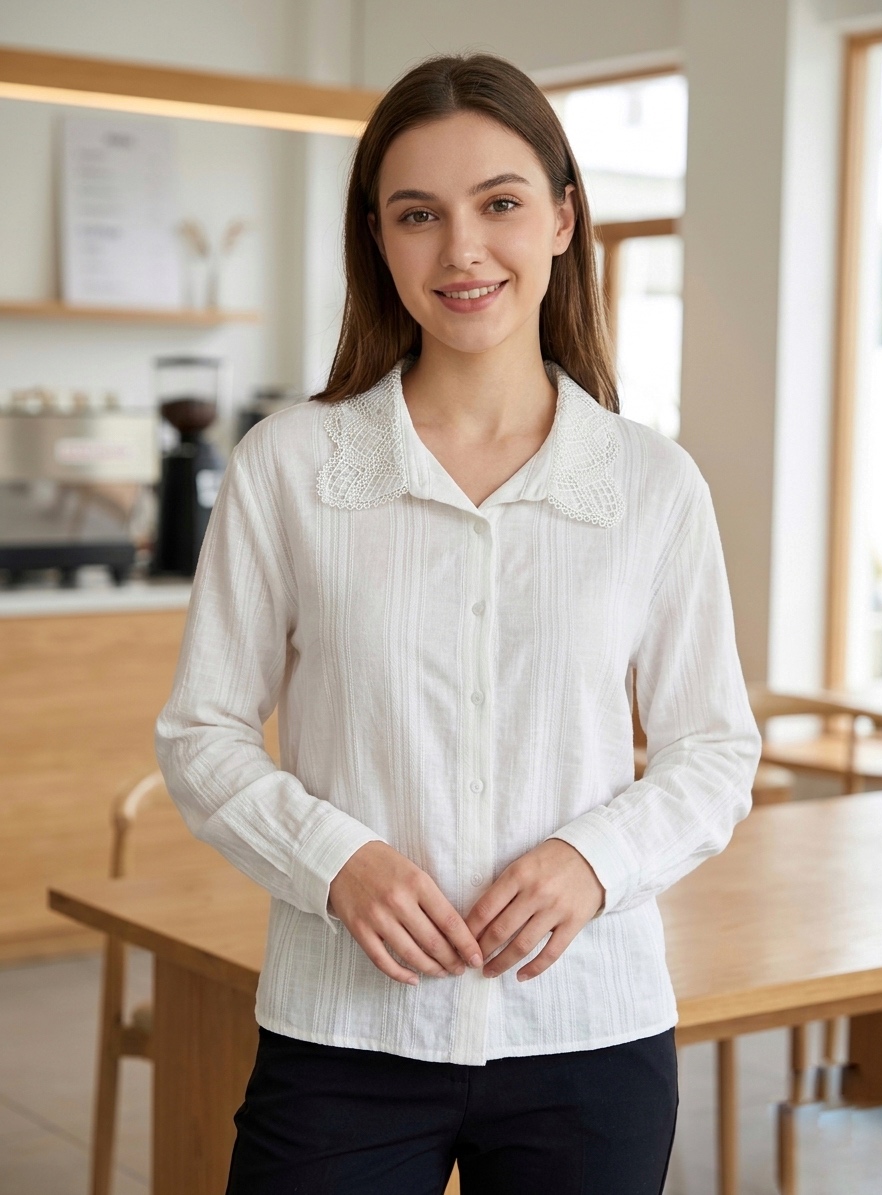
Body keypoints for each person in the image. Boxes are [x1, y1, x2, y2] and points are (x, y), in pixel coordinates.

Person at [155, 51, 761, 1195]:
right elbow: (203, 732)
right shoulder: (289, 465)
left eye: (499, 204)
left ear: (563, 219)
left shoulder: (651, 483)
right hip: (342, 1032)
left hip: (587, 1028)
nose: (462, 250)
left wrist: (593, 862)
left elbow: (712, 749)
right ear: (376, 238)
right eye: (417, 214)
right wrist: (335, 862)